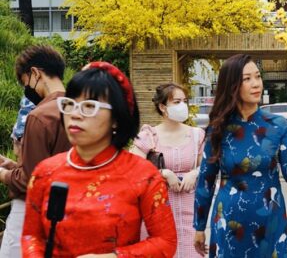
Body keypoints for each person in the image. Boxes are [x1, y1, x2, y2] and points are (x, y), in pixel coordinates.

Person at [22, 62, 177, 257]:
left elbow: (165, 242)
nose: (75, 115)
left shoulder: (143, 175)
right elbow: (31, 236)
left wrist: (113, 257)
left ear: (116, 118)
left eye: (89, 106)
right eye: (70, 104)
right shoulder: (45, 172)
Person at [192, 54, 287, 258]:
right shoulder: (218, 129)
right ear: (232, 85)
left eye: (257, 76)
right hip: (228, 220)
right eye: (247, 79)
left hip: (269, 222)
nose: (256, 84)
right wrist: (199, 227)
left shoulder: (278, 125)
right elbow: (206, 180)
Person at [0, 45, 71, 258]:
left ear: (35, 73)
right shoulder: (78, 108)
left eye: (25, 82)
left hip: (32, 211)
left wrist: (3, 174)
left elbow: (30, 179)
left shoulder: (39, 115)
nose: (27, 89)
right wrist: (13, 165)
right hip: (70, 207)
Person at [131, 82, 205, 258]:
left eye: (184, 101)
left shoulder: (196, 135)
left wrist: (195, 173)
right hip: (158, 210)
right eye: (177, 102)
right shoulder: (149, 136)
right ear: (163, 107)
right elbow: (133, 170)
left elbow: (209, 166)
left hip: (190, 210)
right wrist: (162, 173)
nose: (183, 106)